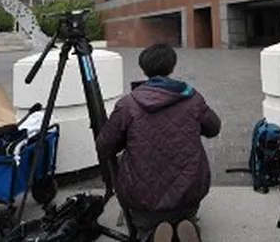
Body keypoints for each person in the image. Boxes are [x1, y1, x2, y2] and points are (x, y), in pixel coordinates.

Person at [95, 43, 221, 242]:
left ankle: (152, 233)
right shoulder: (192, 98)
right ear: (172, 67)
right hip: (188, 191)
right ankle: (186, 223)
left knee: (144, 221)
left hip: (143, 196)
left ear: (144, 69)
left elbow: (104, 146)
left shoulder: (128, 104)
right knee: (185, 210)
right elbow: (214, 129)